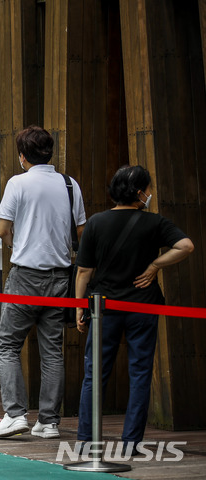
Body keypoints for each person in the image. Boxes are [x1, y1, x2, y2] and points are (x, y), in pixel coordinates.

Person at [75, 165, 193, 453]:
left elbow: (83, 272)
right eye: (148, 189)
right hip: (143, 305)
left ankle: (86, 441)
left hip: (104, 308)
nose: (150, 193)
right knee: (140, 372)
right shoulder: (154, 223)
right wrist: (155, 265)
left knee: (95, 373)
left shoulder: (96, 223)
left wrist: (80, 307)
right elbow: (186, 246)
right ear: (140, 192)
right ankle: (131, 444)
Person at [0, 125, 86, 439]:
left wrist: (16, 246)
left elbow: (4, 229)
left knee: (7, 345)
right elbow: (80, 232)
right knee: (52, 351)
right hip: (61, 278)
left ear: (22, 156)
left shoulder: (17, 183)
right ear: (50, 152)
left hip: (24, 276)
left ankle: (15, 414)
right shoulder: (70, 184)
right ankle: (49, 421)